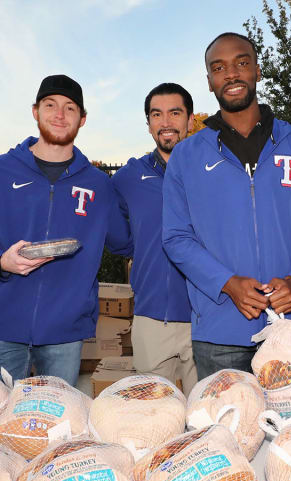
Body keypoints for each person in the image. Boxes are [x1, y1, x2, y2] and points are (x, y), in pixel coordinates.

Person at [162, 32, 291, 379]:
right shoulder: (186, 155)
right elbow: (176, 237)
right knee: (228, 431)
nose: (231, 74)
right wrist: (228, 284)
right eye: (219, 67)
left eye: (241, 63)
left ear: (257, 70)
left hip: (289, 324)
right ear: (210, 81)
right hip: (219, 330)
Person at [0, 74, 131, 385]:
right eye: (50, 105)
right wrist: (1, 260)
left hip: (65, 331)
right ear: (35, 112)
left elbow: (125, 241)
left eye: (70, 108)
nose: (59, 114)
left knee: (55, 425)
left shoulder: (99, 184)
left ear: (82, 120)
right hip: (1, 325)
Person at [111, 83, 198, 392]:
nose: (166, 122)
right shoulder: (128, 178)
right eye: (156, 114)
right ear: (148, 124)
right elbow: (115, 235)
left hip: (207, 316)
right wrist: (146, 248)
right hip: (152, 316)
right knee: (152, 416)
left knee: (209, 417)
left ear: (189, 120)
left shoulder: (213, 171)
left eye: (175, 113)